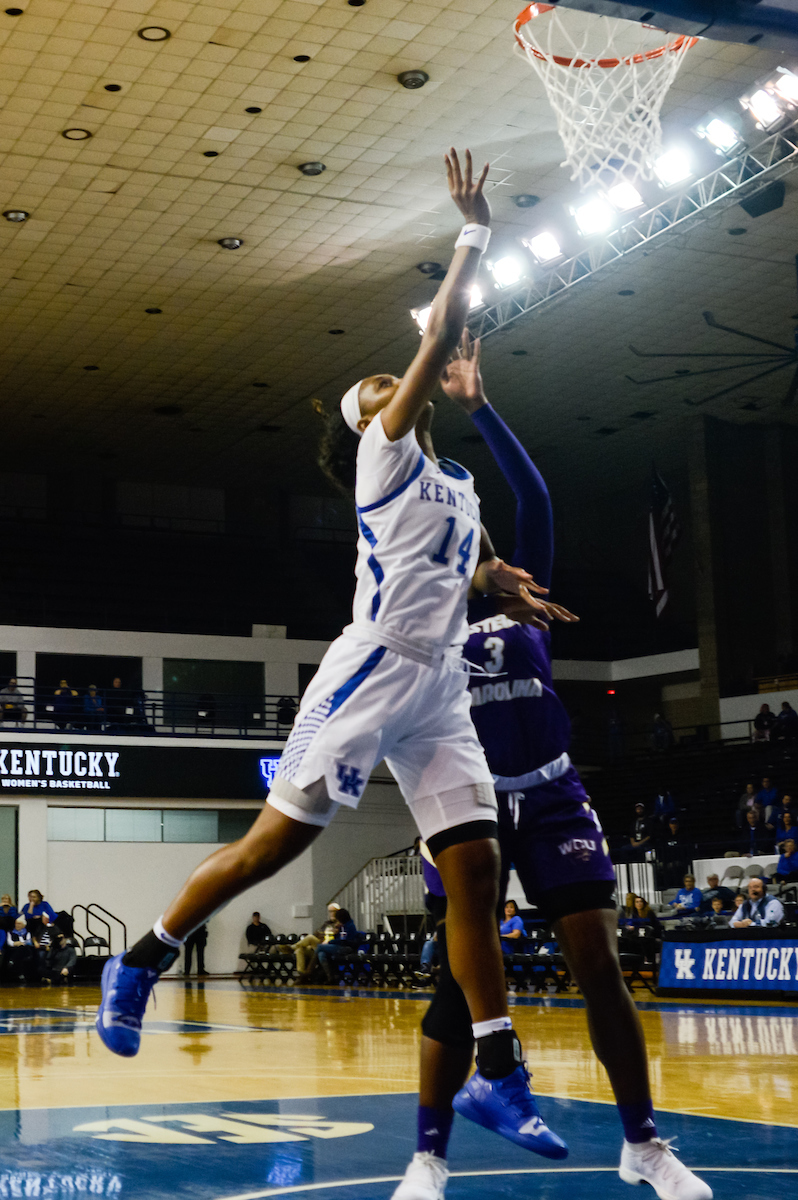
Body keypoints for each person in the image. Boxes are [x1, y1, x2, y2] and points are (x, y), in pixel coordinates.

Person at [97, 153, 577, 1157]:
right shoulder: (384, 450)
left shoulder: (449, 477)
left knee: (478, 868)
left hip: (440, 681)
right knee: (277, 847)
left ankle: (497, 1072)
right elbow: (437, 332)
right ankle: (142, 958)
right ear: (369, 422)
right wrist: (473, 232)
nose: (384, 382)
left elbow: (466, 554)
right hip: (371, 669)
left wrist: (494, 580)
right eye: (374, 386)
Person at [392, 338, 709, 1200]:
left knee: (600, 967)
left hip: (554, 794)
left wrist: (476, 406)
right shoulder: (421, 615)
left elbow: (533, 494)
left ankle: (643, 1144)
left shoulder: (526, 588)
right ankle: (428, 1159)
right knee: (454, 992)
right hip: (469, 809)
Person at [315, 907, 360, 982]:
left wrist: (331, 942)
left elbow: (344, 941)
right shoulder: (342, 926)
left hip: (346, 948)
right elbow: (339, 939)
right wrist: (336, 933)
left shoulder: (350, 926)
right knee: (321, 954)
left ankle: (310, 972)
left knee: (319, 947)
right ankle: (330, 977)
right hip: (340, 946)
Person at [658, 816, 688, 889]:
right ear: (669, 825)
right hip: (668, 861)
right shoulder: (665, 836)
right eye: (672, 824)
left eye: (675, 824)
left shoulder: (682, 835)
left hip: (679, 861)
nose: (674, 825)